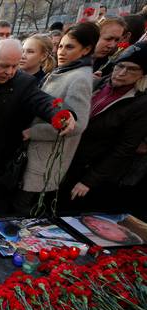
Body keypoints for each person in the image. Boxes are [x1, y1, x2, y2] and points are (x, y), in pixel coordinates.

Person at [0, 39, 76, 216]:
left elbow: (43, 101)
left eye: (15, 66)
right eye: (4, 66)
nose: (9, 72)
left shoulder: (24, 82)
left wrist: (61, 114)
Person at [15, 22, 98, 214]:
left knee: (23, 210)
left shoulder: (79, 78)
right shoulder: (66, 71)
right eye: (60, 46)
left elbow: (76, 125)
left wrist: (33, 132)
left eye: (70, 47)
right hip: (37, 154)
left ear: (86, 50)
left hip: (44, 158)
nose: (61, 52)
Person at [62, 42, 147, 212]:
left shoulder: (140, 103)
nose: (122, 73)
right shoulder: (99, 84)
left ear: (142, 74)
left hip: (90, 170)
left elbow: (125, 147)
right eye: (120, 66)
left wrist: (89, 180)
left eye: (131, 69)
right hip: (69, 158)